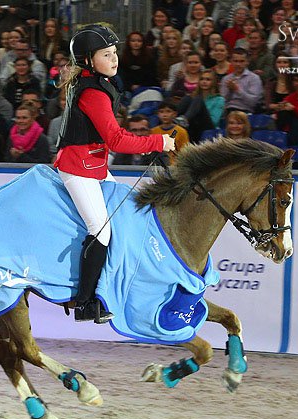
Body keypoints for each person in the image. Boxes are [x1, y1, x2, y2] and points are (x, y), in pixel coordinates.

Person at [54, 25, 173, 323]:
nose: (115, 58)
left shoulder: (99, 83)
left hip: (95, 165)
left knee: (122, 218)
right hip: (78, 168)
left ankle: (109, 289)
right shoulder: (93, 92)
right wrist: (158, 142)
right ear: (88, 60)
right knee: (101, 229)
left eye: (115, 52)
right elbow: (117, 140)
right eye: (106, 54)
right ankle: (85, 303)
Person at [220, 48, 263, 115]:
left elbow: (253, 102)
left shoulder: (254, 78)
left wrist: (237, 90)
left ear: (247, 62)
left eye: (241, 61)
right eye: (235, 61)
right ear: (231, 62)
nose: (238, 64)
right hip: (228, 111)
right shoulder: (226, 79)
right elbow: (222, 102)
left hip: (246, 112)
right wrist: (230, 90)